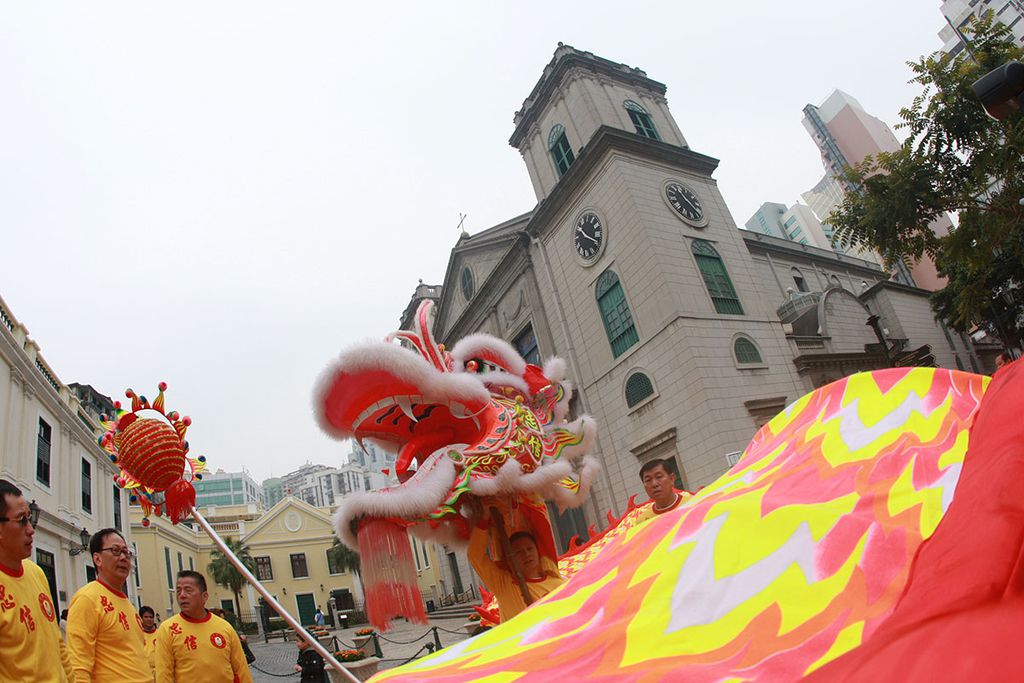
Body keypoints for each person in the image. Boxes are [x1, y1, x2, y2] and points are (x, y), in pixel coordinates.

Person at [0, 478, 75, 682]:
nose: (31, 530)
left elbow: (57, 643)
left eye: (30, 519)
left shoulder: (36, 573)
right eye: (21, 520)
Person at [67, 527, 152, 682]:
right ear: (97, 559)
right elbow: (78, 664)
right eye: (115, 550)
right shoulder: (88, 599)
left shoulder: (128, 604)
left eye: (126, 552)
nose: (123, 557)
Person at [467, 506, 565, 622]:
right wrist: (484, 518)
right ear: (509, 559)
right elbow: (475, 555)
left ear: (538, 551)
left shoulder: (559, 585)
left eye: (529, 549)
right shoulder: (504, 584)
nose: (526, 554)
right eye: (518, 552)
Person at [155, 570, 253, 683]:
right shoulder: (167, 629)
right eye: (178, 591)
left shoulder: (224, 627)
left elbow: (241, 670)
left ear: (205, 596)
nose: (182, 595)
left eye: (188, 590)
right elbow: (164, 674)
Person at [140, 605, 159, 678]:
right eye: (146, 617)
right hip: (143, 674)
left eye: (151, 617)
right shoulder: (137, 634)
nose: (149, 619)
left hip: (159, 673)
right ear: (141, 618)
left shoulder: (161, 634)